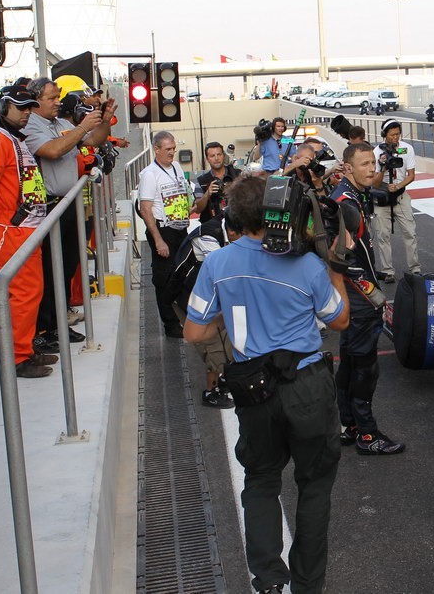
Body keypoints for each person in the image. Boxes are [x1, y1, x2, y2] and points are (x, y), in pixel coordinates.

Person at [184, 173, 349, 594]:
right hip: (308, 384)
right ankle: (308, 584)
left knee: (260, 481)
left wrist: (231, 312)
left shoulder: (218, 263)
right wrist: (337, 271)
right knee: (314, 486)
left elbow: (194, 332)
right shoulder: (307, 264)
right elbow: (340, 319)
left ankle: (269, 581)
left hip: (253, 388)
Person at [0, 83, 54, 378]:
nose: (27, 113)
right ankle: (17, 357)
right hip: (11, 230)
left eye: (30, 107)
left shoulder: (14, 139)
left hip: (25, 229)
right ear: (2, 108)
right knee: (23, 293)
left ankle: (26, 348)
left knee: (31, 293)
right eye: (21, 107)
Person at [328, 143, 405, 455]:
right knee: (364, 368)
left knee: (349, 363)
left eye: (373, 162)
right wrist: (377, 299)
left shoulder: (352, 196)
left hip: (350, 297)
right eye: (364, 164)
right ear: (348, 168)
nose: (372, 168)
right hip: (358, 299)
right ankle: (368, 434)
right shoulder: (345, 203)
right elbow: (348, 262)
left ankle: (349, 426)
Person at [24, 76, 107, 352]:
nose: (58, 103)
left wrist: (104, 119)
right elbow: (54, 149)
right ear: (35, 100)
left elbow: (92, 140)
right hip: (47, 208)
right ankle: (44, 329)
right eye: (52, 98)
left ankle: (59, 323)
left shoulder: (60, 124)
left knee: (67, 265)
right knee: (48, 270)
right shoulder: (31, 126)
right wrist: (82, 126)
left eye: (58, 97)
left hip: (68, 203)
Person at [168, 213, 236, 408]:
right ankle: (211, 392)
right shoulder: (208, 237)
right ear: (232, 229)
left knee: (224, 339)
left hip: (204, 294)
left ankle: (222, 378)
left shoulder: (222, 232)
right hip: (188, 296)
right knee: (213, 344)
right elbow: (223, 272)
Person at [139, 130, 192, 338]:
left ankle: (181, 317)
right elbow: (145, 208)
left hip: (180, 228)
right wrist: (158, 240)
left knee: (182, 273)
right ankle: (170, 324)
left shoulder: (177, 167)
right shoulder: (150, 174)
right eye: (168, 149)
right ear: (157, 149)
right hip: (163, 229)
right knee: (164, 278)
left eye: (174, 149)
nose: (172, 153)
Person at [371, 120, 420, 283]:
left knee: (410, 232)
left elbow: (411, 175)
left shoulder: (407, 148)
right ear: (384, 135)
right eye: (392, 135)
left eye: (398, 134)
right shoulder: (377, 151)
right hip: (382, 195)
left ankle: (415, 268)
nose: (396, 138)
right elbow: (375, 183)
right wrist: (383, 165)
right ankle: (387, 271)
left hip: (400, 194)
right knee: (382, 234)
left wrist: (398, 186)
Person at [193, 141, 240, 224]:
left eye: (219, 154)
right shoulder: (201, 181)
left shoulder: (238, 174)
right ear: (207, 159)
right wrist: (207, 194)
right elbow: (198, 209)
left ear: (224, 156)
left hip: (236, 224)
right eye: (212, 156)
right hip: (212, 226)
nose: (216, 158)